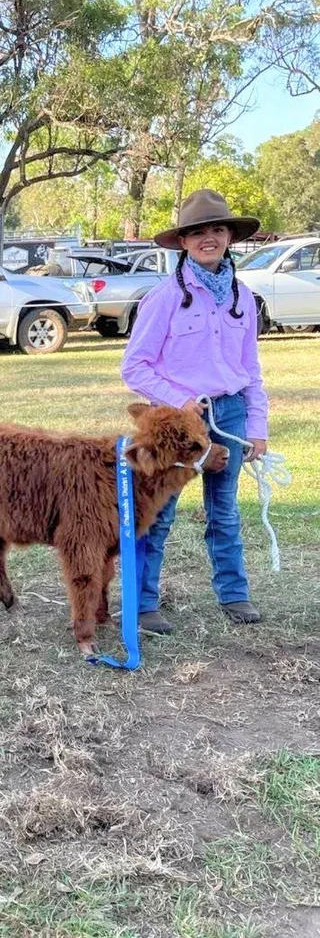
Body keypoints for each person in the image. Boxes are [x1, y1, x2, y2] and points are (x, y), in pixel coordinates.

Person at [122, 189, 269, 635]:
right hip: (178, 422)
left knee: (224, 510)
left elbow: (251, 369)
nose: (210, 238)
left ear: (229, 237)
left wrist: (257, 426)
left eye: (218, 229)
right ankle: (144, 602)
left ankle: (234, 593)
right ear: (183, 241)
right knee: (159, 511)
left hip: (230, 413)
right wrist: (178, 401)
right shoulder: (165, 297)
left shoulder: (242, 297)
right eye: (198, 232)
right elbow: (135, 365)